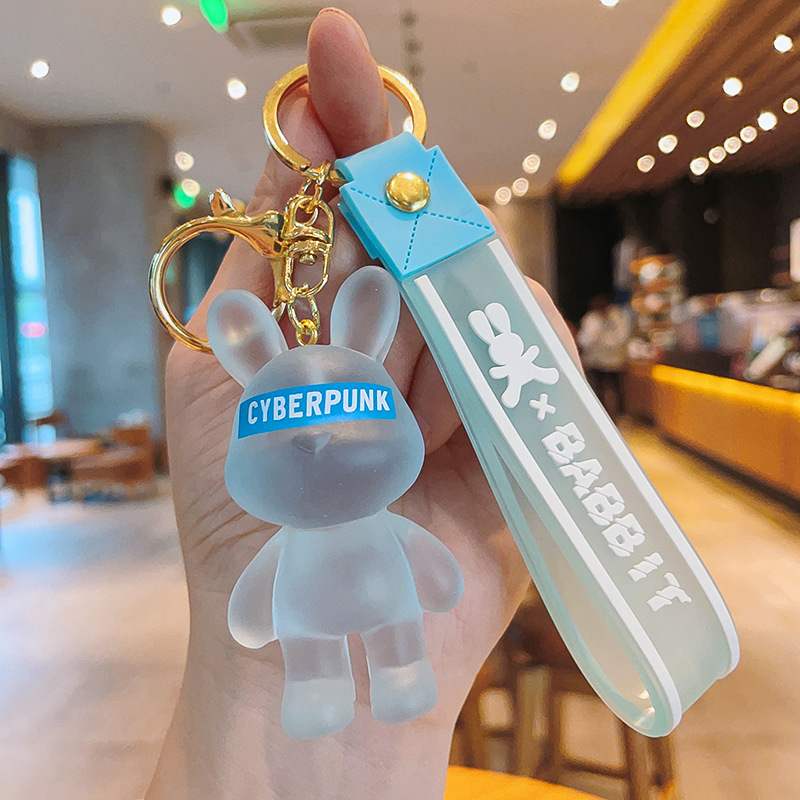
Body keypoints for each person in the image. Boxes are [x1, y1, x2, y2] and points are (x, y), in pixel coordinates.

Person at [145, 9, 581, 800]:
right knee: (314, 653)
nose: (319, 444)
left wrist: (439, 580)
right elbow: (255, 603)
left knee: (395, 636)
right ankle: (317, 688)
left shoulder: (369, 504)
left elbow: (423, 567)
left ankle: (402, 672)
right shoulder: (279, 519)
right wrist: (242, 677)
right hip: (310, 623)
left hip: (378, 606)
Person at [577, 295, 630, 421]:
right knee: (598, 391)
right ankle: (600, 418)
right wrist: (595, 333)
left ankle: (614, 418)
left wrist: (603, 341)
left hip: (614, 363)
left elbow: (621, 338)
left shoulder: (618, 317)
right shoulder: (591, 319)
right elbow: (584, 341)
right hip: (595, 363)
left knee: (614, 391)